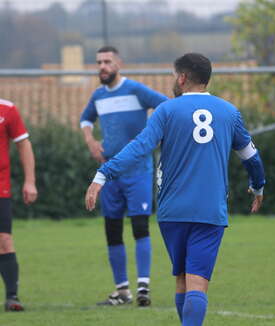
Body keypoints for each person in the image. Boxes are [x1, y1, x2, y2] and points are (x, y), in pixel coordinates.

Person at [85, 52, 265, 325]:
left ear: (181, 78)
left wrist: (103, 174)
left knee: (182, 279)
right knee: (196, 283)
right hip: (209, 210)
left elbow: (139, 148)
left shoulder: (167, 110)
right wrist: (258, 186)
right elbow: (251, 157)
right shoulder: (229, 112)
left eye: (173, 75)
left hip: (172, 211)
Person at [80, 46, 168, 307]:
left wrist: (155, 135)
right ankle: (122, 291)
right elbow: (85, 120)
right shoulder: (98, 96)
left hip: (139, 171)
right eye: (98, 62)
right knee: (112, 231)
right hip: (109, 175)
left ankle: (143, 289)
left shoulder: (137, 90)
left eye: (107, 61)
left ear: (119, 63)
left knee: (140, 227)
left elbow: (166, 108)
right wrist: (90, 141)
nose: (102, 67)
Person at [0, 99, 38, 312]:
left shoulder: (7, 109)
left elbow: (23, 144)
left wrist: (30, 181)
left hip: (1, 188)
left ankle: (12, 297)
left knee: (4, 240)